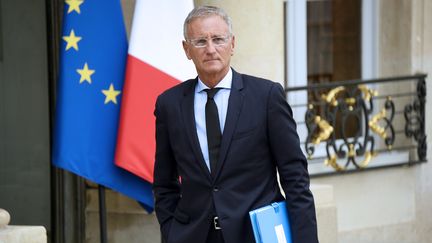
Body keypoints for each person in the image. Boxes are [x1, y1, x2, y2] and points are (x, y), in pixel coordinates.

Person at [153, 5, 318, 243]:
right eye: (200, 42)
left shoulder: (266, 96)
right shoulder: (170, 104)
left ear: (232, 44)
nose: (210, 49)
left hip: (257, 235)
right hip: (194, 236)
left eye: (218, 39)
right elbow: (164, 182)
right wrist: (171, 232)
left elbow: (295, 177)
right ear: (186, 49)